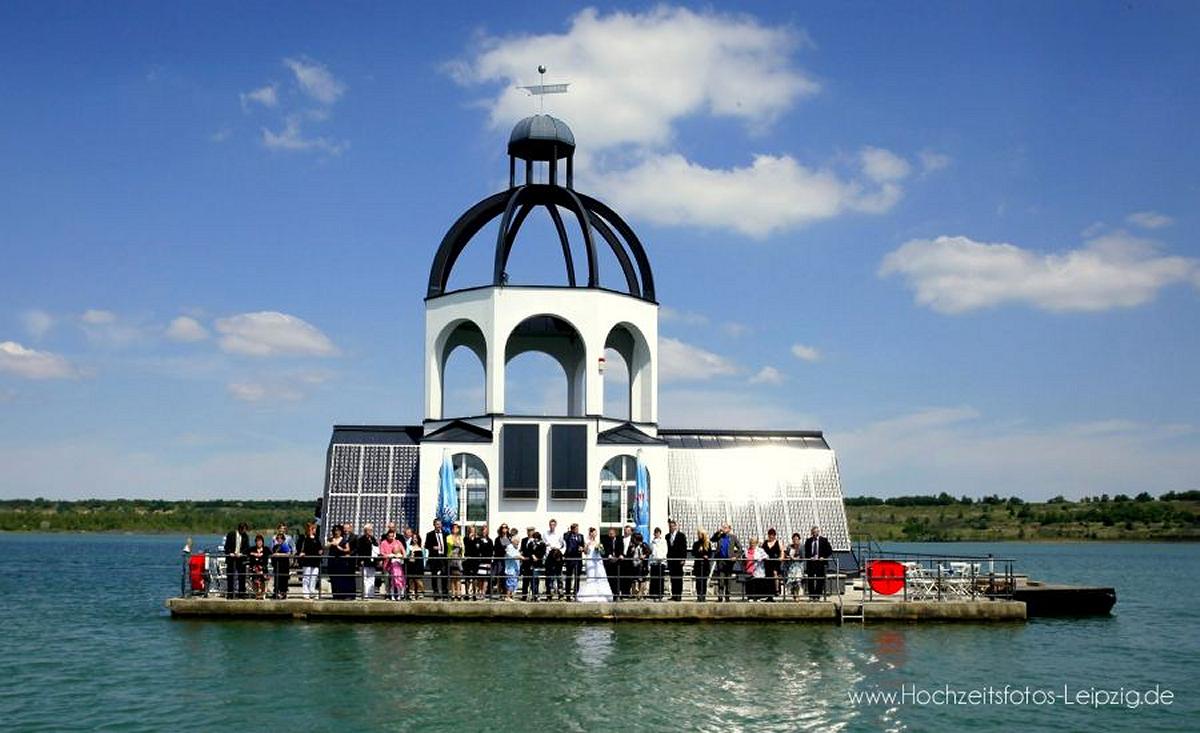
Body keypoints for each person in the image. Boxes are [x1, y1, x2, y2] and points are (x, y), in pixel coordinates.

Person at [577, 527, 612, 602]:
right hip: (590, 560)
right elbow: (586, 552)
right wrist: (586, 547)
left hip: (598, 560)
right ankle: (590, 594)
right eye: (594, 532)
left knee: (600, 575)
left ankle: (601, 593)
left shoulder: (597, 542)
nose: (595, 534)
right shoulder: (587, 542)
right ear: (591, 533)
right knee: (591, 576)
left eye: (596, 532)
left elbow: (603, 553)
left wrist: (600, 548)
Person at [711, 523, 743, 602]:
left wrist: (736, 556)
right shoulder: (719, 536)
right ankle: (720, 596)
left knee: (728, 579)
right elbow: (712, 539)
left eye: (725, 528)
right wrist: (717, 532)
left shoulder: (733, 537)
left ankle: (727, 596)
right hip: (721, 561)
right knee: (721, 579)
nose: (724, 529)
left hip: (729, 561)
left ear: (729, 529)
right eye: (723, 527)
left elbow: (740, 548)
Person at [804, 526, 834, 601]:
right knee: (810, 579)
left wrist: (823, 557)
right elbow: (806, 551)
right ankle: (811, 595)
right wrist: (809, 557)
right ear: (811, 533)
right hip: (811, 563)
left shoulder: (824, 540)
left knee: (820, 579)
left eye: (816, 532)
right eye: (813, 532)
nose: (815, 534)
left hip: (821, 563)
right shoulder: (808, 541)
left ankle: (817, 595)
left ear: (818, 532)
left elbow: (829, 550)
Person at [326, 526, 354, 600]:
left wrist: (339, 547)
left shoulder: (344, 540)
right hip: (332, 561)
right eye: (335, 531)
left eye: (338, 531)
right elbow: (325, 546)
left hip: (341, 561)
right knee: (333, 578)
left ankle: (342, 594)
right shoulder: (331, 539)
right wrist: (331, 543)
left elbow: (347, 549)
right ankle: (335, 595)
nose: (336, 532)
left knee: (341, 578)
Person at [223, 522, 250, 599]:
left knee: (242, 576)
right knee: (230, 576)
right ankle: (230, 594)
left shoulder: (246, 536)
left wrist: (241, 553)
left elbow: (247, 548)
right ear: (240, 529)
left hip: (241, 559)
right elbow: (226, 546)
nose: (244, 531)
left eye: (245, 530)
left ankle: (242, 593)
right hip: (231, 559)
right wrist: (230, 553)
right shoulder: (231, 534)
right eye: (243, 530)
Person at [297, 522, 323, 600]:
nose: (315, 530)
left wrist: (321, 551)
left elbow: (320, 548)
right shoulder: (304, 538)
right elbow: (300, 547)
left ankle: (312, 591)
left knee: (314, 577)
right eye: (313, 528)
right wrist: (301, 553)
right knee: (306, 577)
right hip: (307, 560)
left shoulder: (316, 538)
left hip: (315, 561)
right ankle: (306, 592)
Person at [379, 527, 407, 600]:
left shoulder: (397, 542)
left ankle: (398, 595)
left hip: (397, 566)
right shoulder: (383, 542)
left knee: (398, 580)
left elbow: (403, 551)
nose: (391, 538)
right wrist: (389, 555)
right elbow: (381, 553)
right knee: (387, 581)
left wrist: (402, 556)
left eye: (392, 536)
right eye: (389, 536)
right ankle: (388, 595)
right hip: (387, 565)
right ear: (387, 536)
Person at [355, 523, 379, 599]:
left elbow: (376, 548)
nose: (371, 531)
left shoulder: (373, 539)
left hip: (372, 562)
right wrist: (361, 560)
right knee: (364, 578)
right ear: (365, 531)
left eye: (371, 530)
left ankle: (371, 594)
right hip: (364, 561)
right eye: (369, 530)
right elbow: (359, 550)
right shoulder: (361, 539)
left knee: (372, 578)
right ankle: (365, 594)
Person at [665, 519, 688, 601]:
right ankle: (674, 594)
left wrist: (683, 558)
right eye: (670, 526)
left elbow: (684, 548)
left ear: (675, 526)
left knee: (678, 578)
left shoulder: (681, 536)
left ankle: (678, 595)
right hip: (671, 560)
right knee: (672, 578)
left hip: (678, 560)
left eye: (672, 526)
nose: (671, 528)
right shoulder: (667, 536)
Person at [425, 519, 447, 600]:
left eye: (439, 524)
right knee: (434, 575)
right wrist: (433, 547)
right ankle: (436, 593)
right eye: (437, 524)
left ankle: (445, 593)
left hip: (443, 557)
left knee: (444, 575)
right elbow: (426, 545)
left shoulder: (445, 533)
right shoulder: (430, 534)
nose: (438, 526)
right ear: (434, 525)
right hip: (434, 557)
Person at [562, 522, 585, 599]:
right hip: (569, 558)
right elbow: (565, 539)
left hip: (578, 558)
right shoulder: (567, 535)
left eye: (577, 529)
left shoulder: (581, 536)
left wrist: (582, 548)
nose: (577, 530)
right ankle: (568, 594)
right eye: (575, 529)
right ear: (572, 529)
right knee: (568, 577)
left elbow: (583, 545)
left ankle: (576, 593)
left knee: (577, 577)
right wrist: (569, 531)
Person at [270, 529, 293, 599]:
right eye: (278, 538)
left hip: (284, 566)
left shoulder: (284, 545)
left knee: (283, 581)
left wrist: (279, 554)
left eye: (280, 538)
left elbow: (288, 553)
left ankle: (283, 594)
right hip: (277, 566)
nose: (279, 540)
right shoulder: (275, 546)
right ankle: (276, 593)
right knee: (277, 580)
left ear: (283, 539)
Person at [692, 530, 713, 601]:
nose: (699, 536)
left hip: (705, 565)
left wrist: (707, 556)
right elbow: (693, 553)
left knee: (704, 581)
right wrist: (699, 551)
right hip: (698, 565)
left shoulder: (708, 544)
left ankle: (703, 596)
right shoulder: (696, 544)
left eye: (700, 534)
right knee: (698, 581)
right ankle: (698, 596)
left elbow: (710, 553)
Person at [247, 534, 270, 600]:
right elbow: (245, 552)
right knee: (255, 581)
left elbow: (271, 553)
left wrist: (261, 554)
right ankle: (257, 594)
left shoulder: (266, 549)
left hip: (263, 568)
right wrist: (253, 554)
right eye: (257, 541)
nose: (259, 543)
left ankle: (263, 594)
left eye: (260, 541)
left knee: (263, 581)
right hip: (254, 568)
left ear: (262, 542)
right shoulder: (252, 549)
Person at [474, 523, 493, 600]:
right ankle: (479, 591)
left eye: (485, 530)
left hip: (487, 562)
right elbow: (476, 550)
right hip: (480, 561)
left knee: (485, 578)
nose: (484, 532)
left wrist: (490, 562)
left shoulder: (490, 541)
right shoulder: (478, 540)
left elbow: (491, 551)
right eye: (483, 530)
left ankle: (483, 593)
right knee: (480, 578)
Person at [616, 525, 635, 599]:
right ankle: (622, 593)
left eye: (627, 530)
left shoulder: (633, 539)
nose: (626, 532)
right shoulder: (620, 538)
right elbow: (618, 548)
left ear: (630, 531)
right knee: (622, 577)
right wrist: (620, 555)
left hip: (630, 561)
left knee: (628, 578)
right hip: (622, 560)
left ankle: (627, 593)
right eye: (625, 530)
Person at [762, 528, 782, 598]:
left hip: (775, 562)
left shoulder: (778, 542)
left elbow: (781, 551)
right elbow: (762, 551)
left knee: (775, 574)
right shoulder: (765, 543)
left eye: (772, 535)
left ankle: (776, 590)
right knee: (768, 576)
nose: (771, 536)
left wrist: (781, 558)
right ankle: (769, 593)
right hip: (767, 563)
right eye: (770, 535)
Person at [491, 524, 510, 600]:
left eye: (506, 528)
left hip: (507, 561)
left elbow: (510, 549)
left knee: (506, 577)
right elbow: (497, 550)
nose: (504, 529)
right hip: (499, 560)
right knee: (499, 577)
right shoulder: (497, 539)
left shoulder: (509, 538)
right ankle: (499, 593)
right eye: (503, 528)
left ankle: (506, 593)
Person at [648, 527, 668, 600]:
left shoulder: (663, 541)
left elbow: (664, 551)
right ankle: (653, 593)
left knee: (660, 579)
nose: (657, 534)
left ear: (660, 533)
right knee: (653, 579)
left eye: (658, 533)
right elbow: (651, 552)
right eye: (655, 533)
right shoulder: (652, 542)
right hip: (654, 562)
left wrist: (661, 558)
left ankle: (660, 593)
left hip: (661, 562)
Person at [785, 532, 805, 601]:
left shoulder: (802, 547)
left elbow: (803, 557)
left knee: (797, 581)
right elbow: (786, 555)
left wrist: (796, 558)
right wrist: (789, 557)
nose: (795, 541)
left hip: (798, 566)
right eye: (794, 539)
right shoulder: (789, 547)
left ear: (799, 539)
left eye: (796, 539)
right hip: (791, 567)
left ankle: (797, 595)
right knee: (792, 581)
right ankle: (794, 595)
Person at [447, 523, 464, 600]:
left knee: (458, 577)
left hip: (459, 559)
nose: (455, 529)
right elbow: (450, 544)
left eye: (456, 528)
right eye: (453, 528)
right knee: (453, 577)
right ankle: (453, 593)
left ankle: (459, 593)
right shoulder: (449, 537)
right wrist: (456, 542)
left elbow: (463, 548)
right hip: (451, 558)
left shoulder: (461, 537)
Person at [527, 531, 546, 600]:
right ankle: (534, 594)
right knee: (533, 579)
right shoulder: (531, 544)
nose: (535, 539)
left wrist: (537, 557)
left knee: (537, 579)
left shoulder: (542, 544)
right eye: (534, 538)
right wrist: (532, 555)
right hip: (532, 563)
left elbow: (543, 552)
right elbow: (528, 551)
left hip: (539, 564)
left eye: (536, 538)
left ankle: (537, 594)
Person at [518, 527, 536, 600]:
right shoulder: (524, 540)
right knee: (525, 580)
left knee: (533, 580)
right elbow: (522, 550)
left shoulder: (536, 540)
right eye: (528, 531)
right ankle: (524, 595)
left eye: (531, 531)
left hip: (532, 562)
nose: (529, 532)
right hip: (525, 563)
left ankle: (534, 595)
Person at [601, 527, 620, 598]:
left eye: (611, 533)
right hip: (609, 562)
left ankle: (616, 594)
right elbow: (606, 549)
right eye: (609, 533)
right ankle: (612, 593)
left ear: (615, 534)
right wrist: (609, 555)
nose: (610, 535)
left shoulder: (619, 540)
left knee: (617, 579)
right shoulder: (605, 540)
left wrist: (620, 555)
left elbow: (620, 549)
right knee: (610, 579)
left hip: (617, 562)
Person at [503, 528, 521, 600]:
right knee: (510, 582)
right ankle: (507, 596)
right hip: (510, 568)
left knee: (514, 583)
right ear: (513, 541)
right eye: (517, 542)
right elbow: (514, 555)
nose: (518, 543)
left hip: (515, 568)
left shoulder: (515, 548)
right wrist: (522, 557)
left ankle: (510, 596)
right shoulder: (509, 547)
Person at [463, 525, 479, 599]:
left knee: (475, 577)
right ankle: (467, 593)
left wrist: (474, 539)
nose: (472, 531)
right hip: (468, 560)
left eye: (473, 530)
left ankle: (474, 594)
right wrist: (470, 539)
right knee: (467, 577)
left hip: (475, 560)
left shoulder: (478, 539)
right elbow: (467, 547)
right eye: (470, 530)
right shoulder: (465, 538)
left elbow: (478, 549)